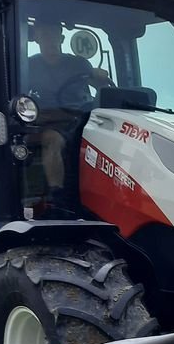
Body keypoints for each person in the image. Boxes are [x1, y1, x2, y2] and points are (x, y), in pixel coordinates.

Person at [25, 15, 111, 204]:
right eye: (45, 36)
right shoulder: (29, 67)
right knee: (51, 139)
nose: (51, 41)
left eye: (54, 36)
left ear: (62, 39)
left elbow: (103, 89)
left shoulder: (78, 64)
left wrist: (101, 78)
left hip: (82, 120)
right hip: (48, 123)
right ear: (36, 39)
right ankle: (57, 197)